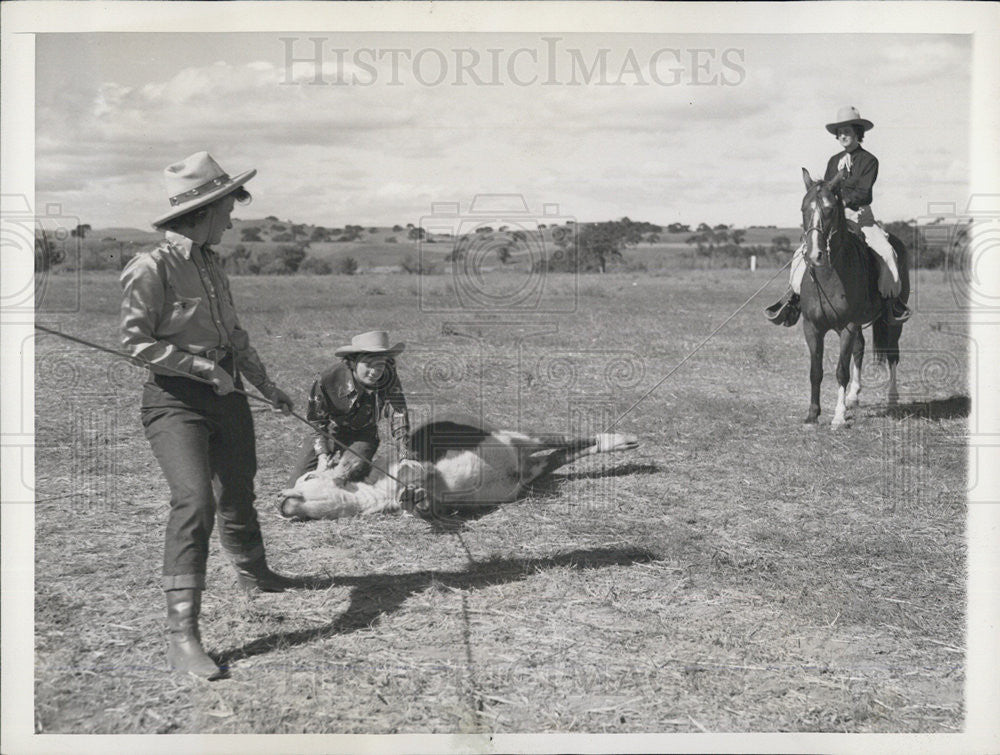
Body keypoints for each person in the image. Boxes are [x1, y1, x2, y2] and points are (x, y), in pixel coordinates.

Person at [120, 151, 296, 680]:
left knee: (238, 486)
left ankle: (255, 573)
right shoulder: (151, 266)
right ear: (205, 209)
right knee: (194, 500)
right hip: (174, 402)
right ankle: (183, 636)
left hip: (229, 393)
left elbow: (234, 336)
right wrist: (199, 368)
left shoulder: (212, 263)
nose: (233, 218)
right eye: (228, 209)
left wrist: (266, 385)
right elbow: (134, 343)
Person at [766, 106, 911, 326]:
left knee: (887, 252)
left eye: (848, 131)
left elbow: (865, 193)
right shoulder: (833, 161)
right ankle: (794, 300)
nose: (843, 135)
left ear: (857, 133)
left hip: (860, 217)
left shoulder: (869, 160)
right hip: (833, 217)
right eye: (840, 132)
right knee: (801, 254)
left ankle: (891, 304)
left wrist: (841, 200)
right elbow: (825, 190)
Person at [282, 331, 412, 498]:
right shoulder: (327, 379)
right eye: (368, 364)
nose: (374, 372)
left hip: (364, 434)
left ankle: (355, 466)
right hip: (328, 431)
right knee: (295, 485)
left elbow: (399, 413)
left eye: (380, 365)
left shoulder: (389, 377)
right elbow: (316, 421)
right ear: (352, 362)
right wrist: (322, 457)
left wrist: (405, 456)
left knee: (344, 476)